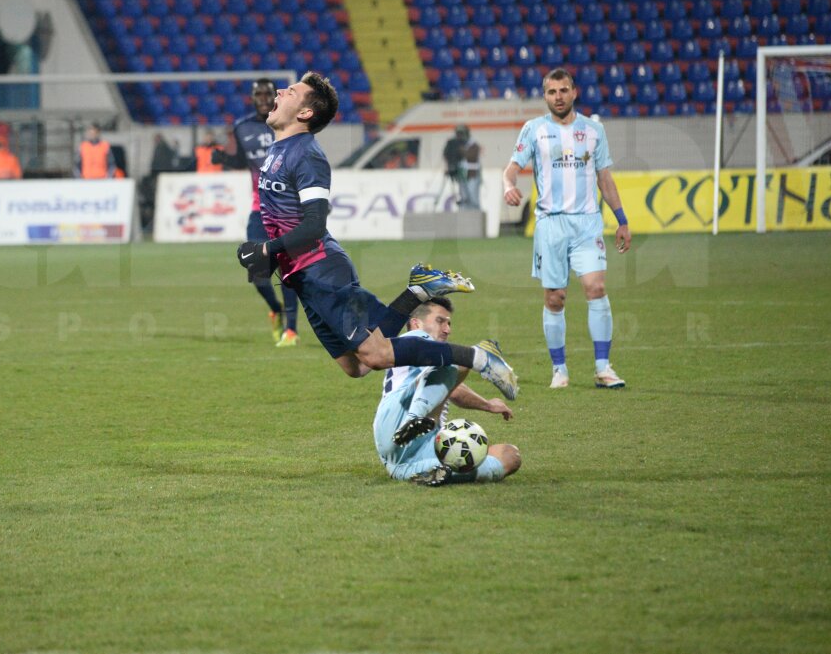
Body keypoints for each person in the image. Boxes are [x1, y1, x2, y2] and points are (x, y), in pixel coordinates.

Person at [236, 71, 519, 395]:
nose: (281, 90)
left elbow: (314, 226)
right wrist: (270, 256)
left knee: (378, 354)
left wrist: (267, 251)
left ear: (305, 113)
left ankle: (481, 357)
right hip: (302, 280)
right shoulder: (276, 151)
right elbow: (283, 218)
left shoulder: (307, 155)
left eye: (291, 91)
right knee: (357, 366)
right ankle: (417, 292)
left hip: (322, 272)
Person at [501, 67, 632, 390]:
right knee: (555, 298)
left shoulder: (593, 130)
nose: (558, 97)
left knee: (596, 288)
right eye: (551, 92)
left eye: (563, 90)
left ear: (574, 92)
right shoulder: (533, 129)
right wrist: (508, 185)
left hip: (587, 222)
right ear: (545, 96)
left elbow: (605, 177)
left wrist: (622, 219)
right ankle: (559, 369)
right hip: (551, 225)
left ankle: (603, 367)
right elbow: (512, 168)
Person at [375, 298, 522, 486]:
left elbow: (451, 388)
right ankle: (414, 419)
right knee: (457, 359)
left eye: (449, 323)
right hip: (396, 420)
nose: (447, 329)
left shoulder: (433, 362)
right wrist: (486, 403)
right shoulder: (412, 341)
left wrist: (488, 405)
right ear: (416, 323)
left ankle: (442, 471)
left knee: (510, 456)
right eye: (440, 321)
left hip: (405, 460)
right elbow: (453, 380)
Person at [214, 78, 301, 347]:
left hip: (288, 208)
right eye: (258, 94)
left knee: (288, 270)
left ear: (274, 96)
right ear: (253, 98)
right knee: (256, 270)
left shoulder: (291, 123)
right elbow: (242, 160)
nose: (263, 97)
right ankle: (274, 309)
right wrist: (224, 159)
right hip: (259, 208)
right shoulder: (242, 127)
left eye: (267, 93)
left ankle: (291, 330)